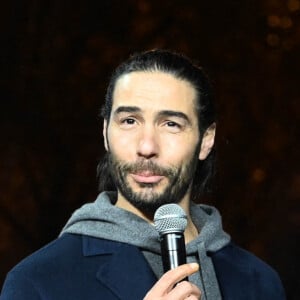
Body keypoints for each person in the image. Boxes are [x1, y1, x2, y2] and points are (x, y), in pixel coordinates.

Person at [1, 49, 285, 300]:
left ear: (206, 139)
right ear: (105, 132)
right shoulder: (39, 281)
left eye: (171, 124)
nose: (147, 146)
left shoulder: (260, 282)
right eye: (129, 121)